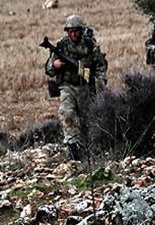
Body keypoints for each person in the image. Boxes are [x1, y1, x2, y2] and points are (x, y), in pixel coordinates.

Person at [44, 14, 108, 162]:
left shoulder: (90, 46)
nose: (73, 34)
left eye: (76, 31)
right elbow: (49, 69)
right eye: (70, 31)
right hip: (67, 87)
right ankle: (73, 149)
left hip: (85, 88)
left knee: (87, 119)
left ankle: (88, 149)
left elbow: (100, 67)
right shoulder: (61, 46)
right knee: (67, 114)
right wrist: (54, 65)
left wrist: (99, 84)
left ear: (81, 31)